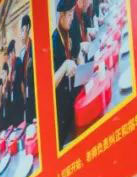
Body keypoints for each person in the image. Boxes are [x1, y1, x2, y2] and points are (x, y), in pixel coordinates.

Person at [53, 0, 81, 148]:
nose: (72, 18)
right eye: (69, 15)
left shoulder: (68, 32)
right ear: (62, 16)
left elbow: (73, 57)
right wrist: (65, 66)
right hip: (61, 111)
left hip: (71, 100)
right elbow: (50, 83)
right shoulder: (55, 40)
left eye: (72, 14)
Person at [19, 14, 37, 125]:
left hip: (35, 98)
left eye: (22, 30)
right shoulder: (24, 54)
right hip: (28, 98)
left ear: (27, 29)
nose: (20, 34)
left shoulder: (33, 49)